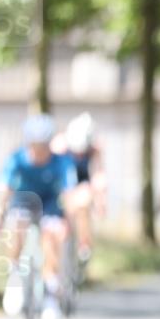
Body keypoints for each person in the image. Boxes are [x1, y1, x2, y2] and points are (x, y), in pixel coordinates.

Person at [0, 114, 77, 319]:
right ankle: (14, 276)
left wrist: (69, 222)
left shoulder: (61, 162)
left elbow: (69, 195)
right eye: (34, 145)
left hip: (50, 204)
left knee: (51, 236)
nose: (38, 151)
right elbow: (4, 190)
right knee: (17, 225)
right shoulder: (16, 159)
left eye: (43, 146)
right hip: (23, 201)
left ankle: (51, 295)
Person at [59, 112, 106, 263]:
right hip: (63, 181)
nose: (79, 155)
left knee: (83, 203)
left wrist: (100, 202)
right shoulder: (59, 146)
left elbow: (99, 177)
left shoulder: (95, 150)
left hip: (83, 182)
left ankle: (84, 245)